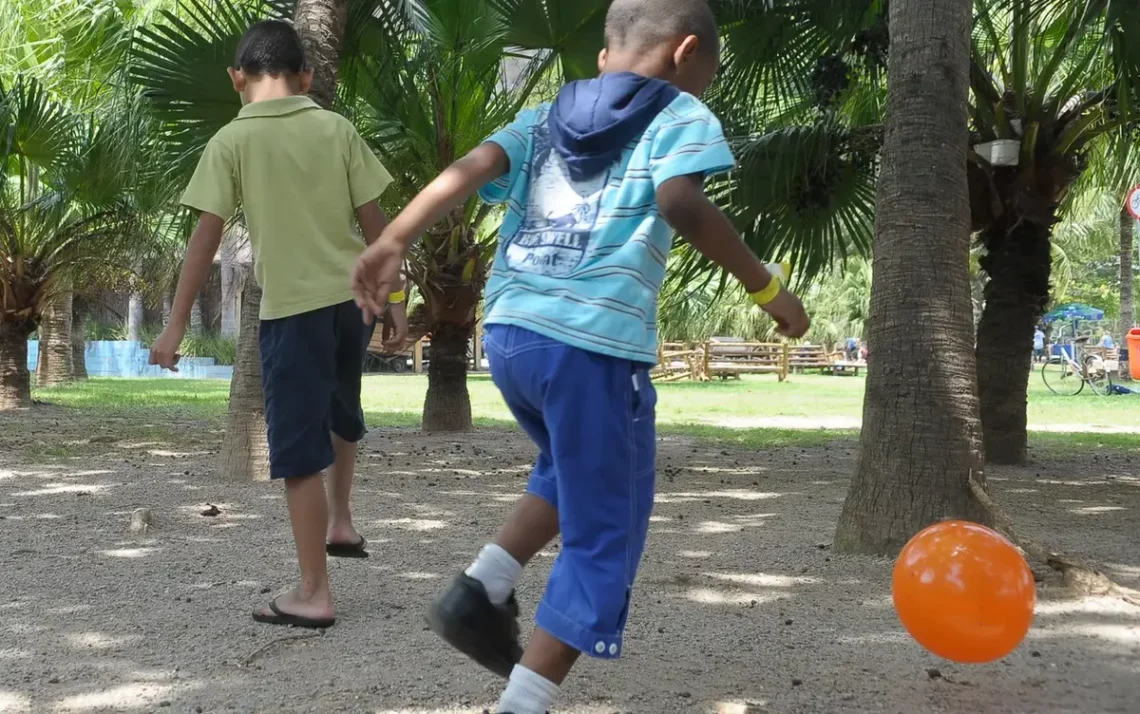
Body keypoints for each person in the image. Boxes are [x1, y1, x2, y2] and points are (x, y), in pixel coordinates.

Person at [352, 1, 810, 710]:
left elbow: (472, 167)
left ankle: (483, 587)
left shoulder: (543, 116)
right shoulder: (680, 116)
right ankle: (523, 702)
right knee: (608, 528)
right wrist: (769, 289)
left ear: (604, 54)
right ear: (687, 53)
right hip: (592, 347)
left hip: (511, 337)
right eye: (710, 76)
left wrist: (394, 240)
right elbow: (682, 203)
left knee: (572, 468)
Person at [149, 19, 407, 629]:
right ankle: (341, 521)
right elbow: (378, 225)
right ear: (307, 77)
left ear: (237, 78)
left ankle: (313, 592)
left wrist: (175, 325)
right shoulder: (337, 128)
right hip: (354, 304)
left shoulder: (231, 141)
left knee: (295, 453)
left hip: (294, 311)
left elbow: (203, 238)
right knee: (343, 411)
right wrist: (394, 298)